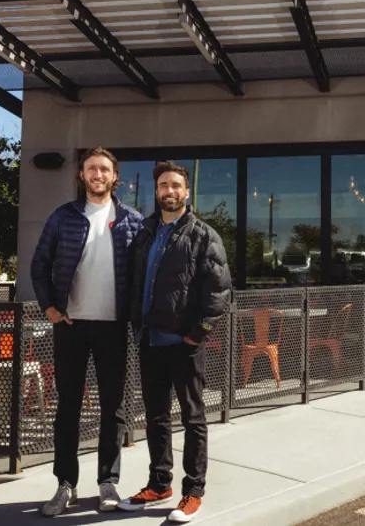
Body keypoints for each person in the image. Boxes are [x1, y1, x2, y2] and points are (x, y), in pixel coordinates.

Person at [30, 147, 144, 517]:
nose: (98, 174)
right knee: (68, 408)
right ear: (81, 175)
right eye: (91, 169)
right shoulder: (63, 217)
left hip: (113, 326)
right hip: (71, 325)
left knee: (114, 408)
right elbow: (39, 264)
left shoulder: (132, 220)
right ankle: (66, 484)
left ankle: (108, 482)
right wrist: (48, 306)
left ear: (115, 177)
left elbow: (143, 275)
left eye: (104, 169)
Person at [120, 161, 231, 523]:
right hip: (150, 339)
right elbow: (136, 282)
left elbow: (219, 292)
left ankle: (193, 491)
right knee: (155, 416)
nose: (169, 191)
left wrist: (197, 332)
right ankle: (159, 483)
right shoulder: (146, 232)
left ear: (187, 192)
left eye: (176, 185)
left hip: (184, 344)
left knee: (193, 417)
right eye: (163, 185)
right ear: (157, 192)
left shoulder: (204, 235)